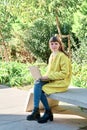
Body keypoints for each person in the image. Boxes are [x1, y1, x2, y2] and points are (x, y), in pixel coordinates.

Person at [26, 35, 72, 123]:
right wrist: (41, 77)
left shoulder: (63, 56)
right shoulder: (52, 55)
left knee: (42, 89)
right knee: (37, 83)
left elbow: (64, 74)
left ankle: (47, 111)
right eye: (52, 44)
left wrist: (47, 77)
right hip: (52, 80)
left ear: (60, 45)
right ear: (49, 45)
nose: (54, 46)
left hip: (62, 82)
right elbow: (50, 71)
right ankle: (36, 110)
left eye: (56, 43)